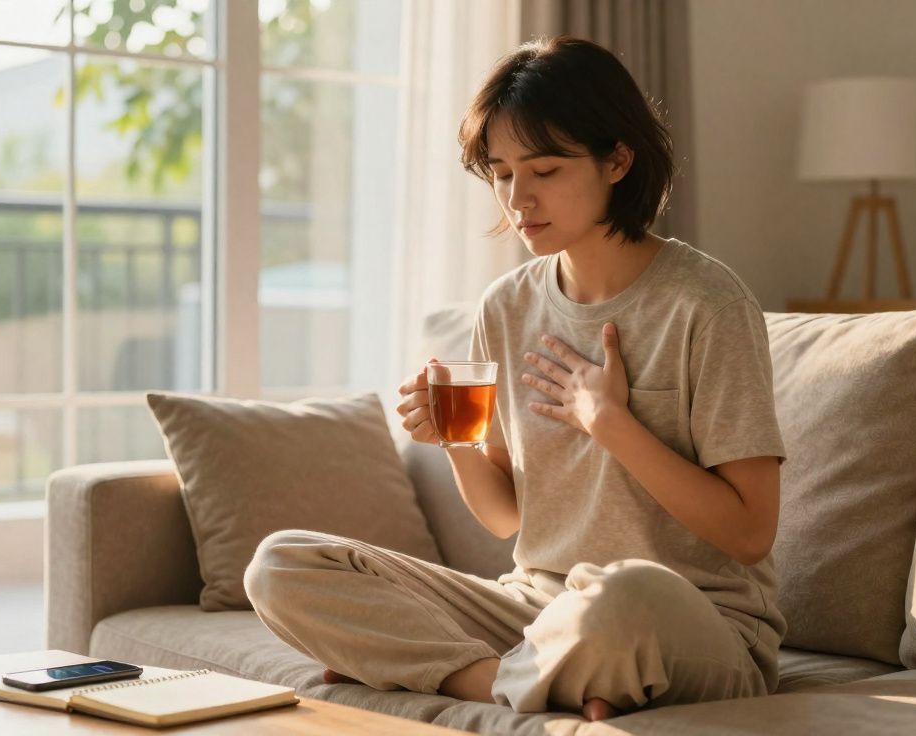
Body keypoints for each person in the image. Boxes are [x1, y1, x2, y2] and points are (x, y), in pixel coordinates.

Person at [243, 36, 787, 722]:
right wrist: (456, 438)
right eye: (501, 173)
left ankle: (451, 673)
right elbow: (510, 518)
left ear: (618, 159)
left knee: (622, 597)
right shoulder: (505, 306)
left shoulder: (706, 304)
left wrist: (611, 424)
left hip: (685, 619)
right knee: (281, 565)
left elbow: (748, 534)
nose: (518, 198)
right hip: (535, 607)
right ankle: (504, 679)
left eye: (546, 169)